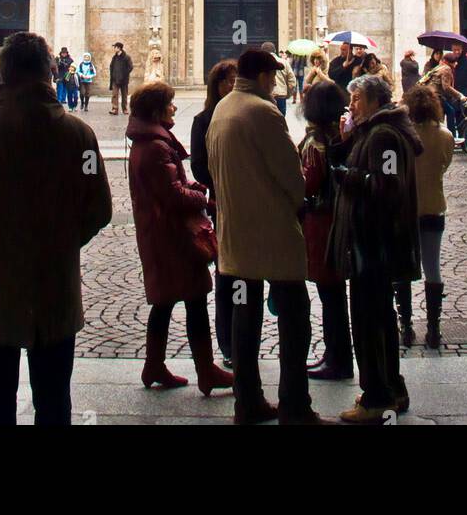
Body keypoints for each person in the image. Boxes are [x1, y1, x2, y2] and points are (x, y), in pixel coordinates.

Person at [0, 31, 112, 425]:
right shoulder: (79, 135)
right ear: (48, 73)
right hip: (56, 287)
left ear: (3, 75)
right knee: (54, 403)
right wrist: (65, 241)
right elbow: (99, 208)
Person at [207, 45, 330, 426]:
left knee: (245, 318)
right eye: (273, 76)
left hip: (235, 240)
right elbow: (293, 180)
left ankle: (248, 402)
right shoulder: (264, 113)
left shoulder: (222, 109)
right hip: (273, 236)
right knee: (294, 316)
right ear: (264, 76)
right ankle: (295, 405)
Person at [127, 81, 232, 395]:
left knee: (166, 301)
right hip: (174, 237)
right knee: (195, 300)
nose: (175, 108)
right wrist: (205, 199)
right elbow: (173, 195)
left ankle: (154, 364)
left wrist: (193, 191)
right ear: (158, 110)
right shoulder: (156, 146)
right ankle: (206, 370)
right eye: (170, 104)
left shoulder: (147, 142)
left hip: (160, 234)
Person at [329, 73, 421, 424]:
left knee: (369, 321)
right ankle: (391, 389)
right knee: (380, 318)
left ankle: (376, 399)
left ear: (374, 102)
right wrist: (347, 142)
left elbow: (387, 185)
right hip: (375, 243)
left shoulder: (383, 136)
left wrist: (345, 176)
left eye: (356, 100)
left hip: (373, 244)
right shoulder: (376, 131)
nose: (350, 105)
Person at [299, 80, 353, 382]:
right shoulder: (340, 136)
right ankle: (336, 355)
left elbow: (308, 183)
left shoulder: (318, 142)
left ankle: (337, 358)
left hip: (322, 224)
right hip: (337, 220)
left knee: (330, 294)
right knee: (334, 295)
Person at [190, 58, 237, 366]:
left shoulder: (246, 116)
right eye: (225, 80)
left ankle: (243, 335)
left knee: (246, 275)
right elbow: (198, 165)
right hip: (222, 204)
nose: (231, 85)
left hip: (247, 206)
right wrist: (220, 183)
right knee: (226, 274)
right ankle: (228, 343)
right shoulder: (204, 119)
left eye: (236, 79)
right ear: (215, 85)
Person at [400, 82, 454, 349]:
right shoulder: (445, 136)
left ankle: (406, 326)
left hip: (407, 209)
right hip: (434, 207)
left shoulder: (403, 137)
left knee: (405, 268)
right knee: (432, 267)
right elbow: (444, 165)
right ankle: (433, 329)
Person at [264, 42, 296, 115]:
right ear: (275, 51)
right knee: (280, 121)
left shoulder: (260, 63)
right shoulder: (284, 62)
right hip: (281, 96)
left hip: (266, 97)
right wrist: (287, 94)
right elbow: (292, 81)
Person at [109, 42, 133, 115]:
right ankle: (114, 109)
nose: (114, 48)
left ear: (119, 48)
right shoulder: (114, 57)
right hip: (115, 79)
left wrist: (124, 74)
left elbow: (130, 67)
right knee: (114, 94)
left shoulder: (126, 57)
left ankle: (124, 109)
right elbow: (111, 66)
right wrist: (113, 75)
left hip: (124, 80)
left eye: (115, 47)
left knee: (124, 95)